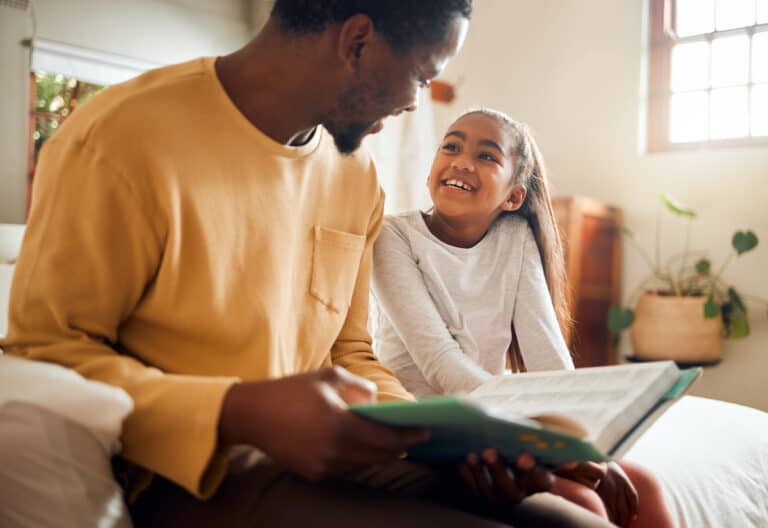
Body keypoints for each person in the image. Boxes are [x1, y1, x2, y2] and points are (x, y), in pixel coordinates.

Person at [0, 1, 614, 526]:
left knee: (570, 520)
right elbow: (47, 356)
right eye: (422, 76)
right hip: (188, 475)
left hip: (336, 452)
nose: (412, 104)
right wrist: (235, 410)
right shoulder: (119, 140)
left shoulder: (355, 174)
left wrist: (451, 441)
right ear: (359, 41)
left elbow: (350, 353)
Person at [371, 108, 676, 528]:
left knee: (645, 489)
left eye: (487, 156)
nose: (461, 161)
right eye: (452, 146)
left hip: (499, 423)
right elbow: (440, 363)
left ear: (513, 197)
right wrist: (539, 435)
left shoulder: (515, 239)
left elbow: (548, 357)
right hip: (430, 428)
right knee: (583, 505)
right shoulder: (392, 236)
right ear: (431, 170)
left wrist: (587, 444)